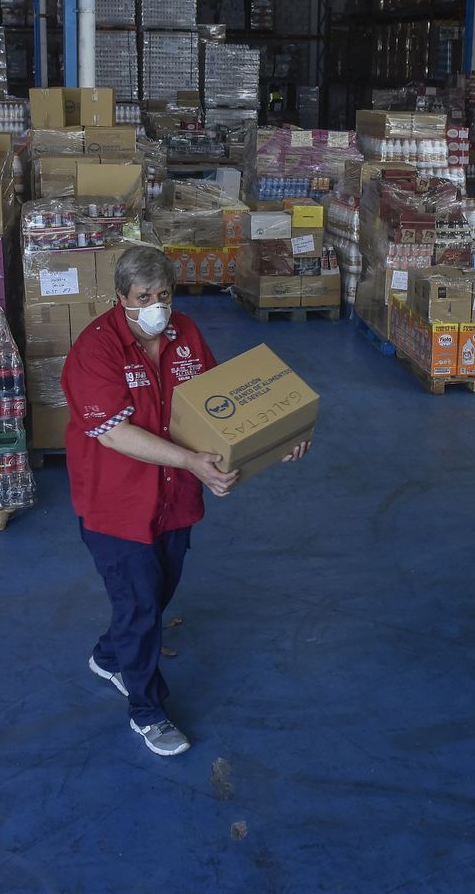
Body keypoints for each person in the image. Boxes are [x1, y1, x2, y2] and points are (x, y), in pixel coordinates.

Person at [61, 245, 309, 757]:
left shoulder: (187, 335)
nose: (156, 305)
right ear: (120, 299)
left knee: (158, 593)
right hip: (117, 504)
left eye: (164, 294)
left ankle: (110, 656)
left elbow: (222, 407)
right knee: (142, 604)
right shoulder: (96, 349)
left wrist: (276, 439)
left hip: (174, 500)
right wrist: (192, 462)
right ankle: (147, 712)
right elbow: (113, 434)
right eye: (144, 297)